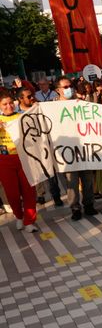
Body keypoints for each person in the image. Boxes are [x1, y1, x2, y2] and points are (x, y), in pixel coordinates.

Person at [56, 77, 97, 220]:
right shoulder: (52, 107)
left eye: (70, 86)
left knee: (87, 178)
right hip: (66, 150)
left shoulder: (81, 103)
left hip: (84, 148)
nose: (69, 89)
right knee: (71, 181)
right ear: (58, 90)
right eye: (65, 87)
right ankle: (75, 207)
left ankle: (89, 204)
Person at [0, 89, 39, 232]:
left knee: (29, 190)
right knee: (12, 194)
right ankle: (18, 216)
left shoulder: (22, 116)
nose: (8, 106)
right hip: (4, 161)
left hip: (25, 158)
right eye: (4, 104)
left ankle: (29, 221)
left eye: (10, 103)